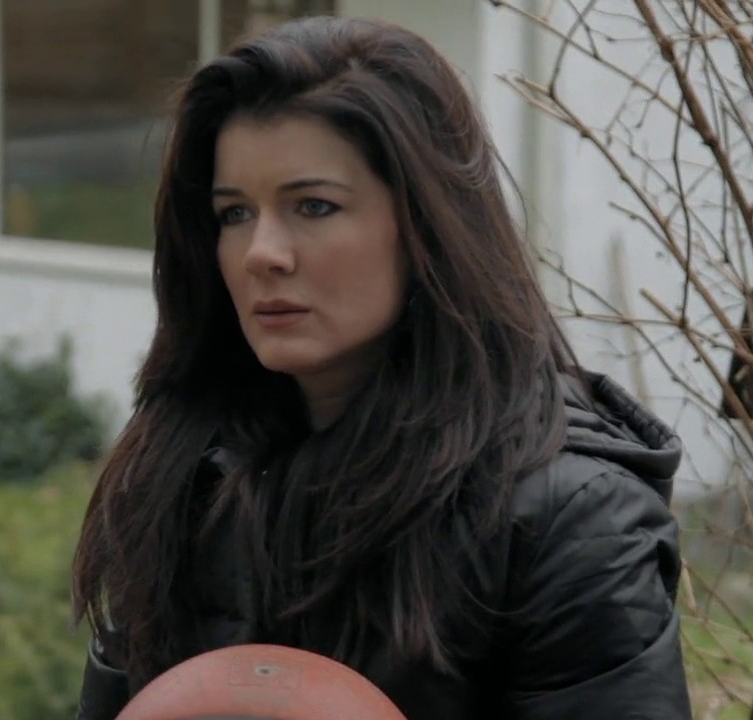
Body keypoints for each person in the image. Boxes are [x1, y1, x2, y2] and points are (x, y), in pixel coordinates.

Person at [70, 15, 691, 720]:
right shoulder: (179, 474)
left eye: (314, 206)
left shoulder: (569, 520)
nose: (262, 253)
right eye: (235, 213)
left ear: (427, 226)